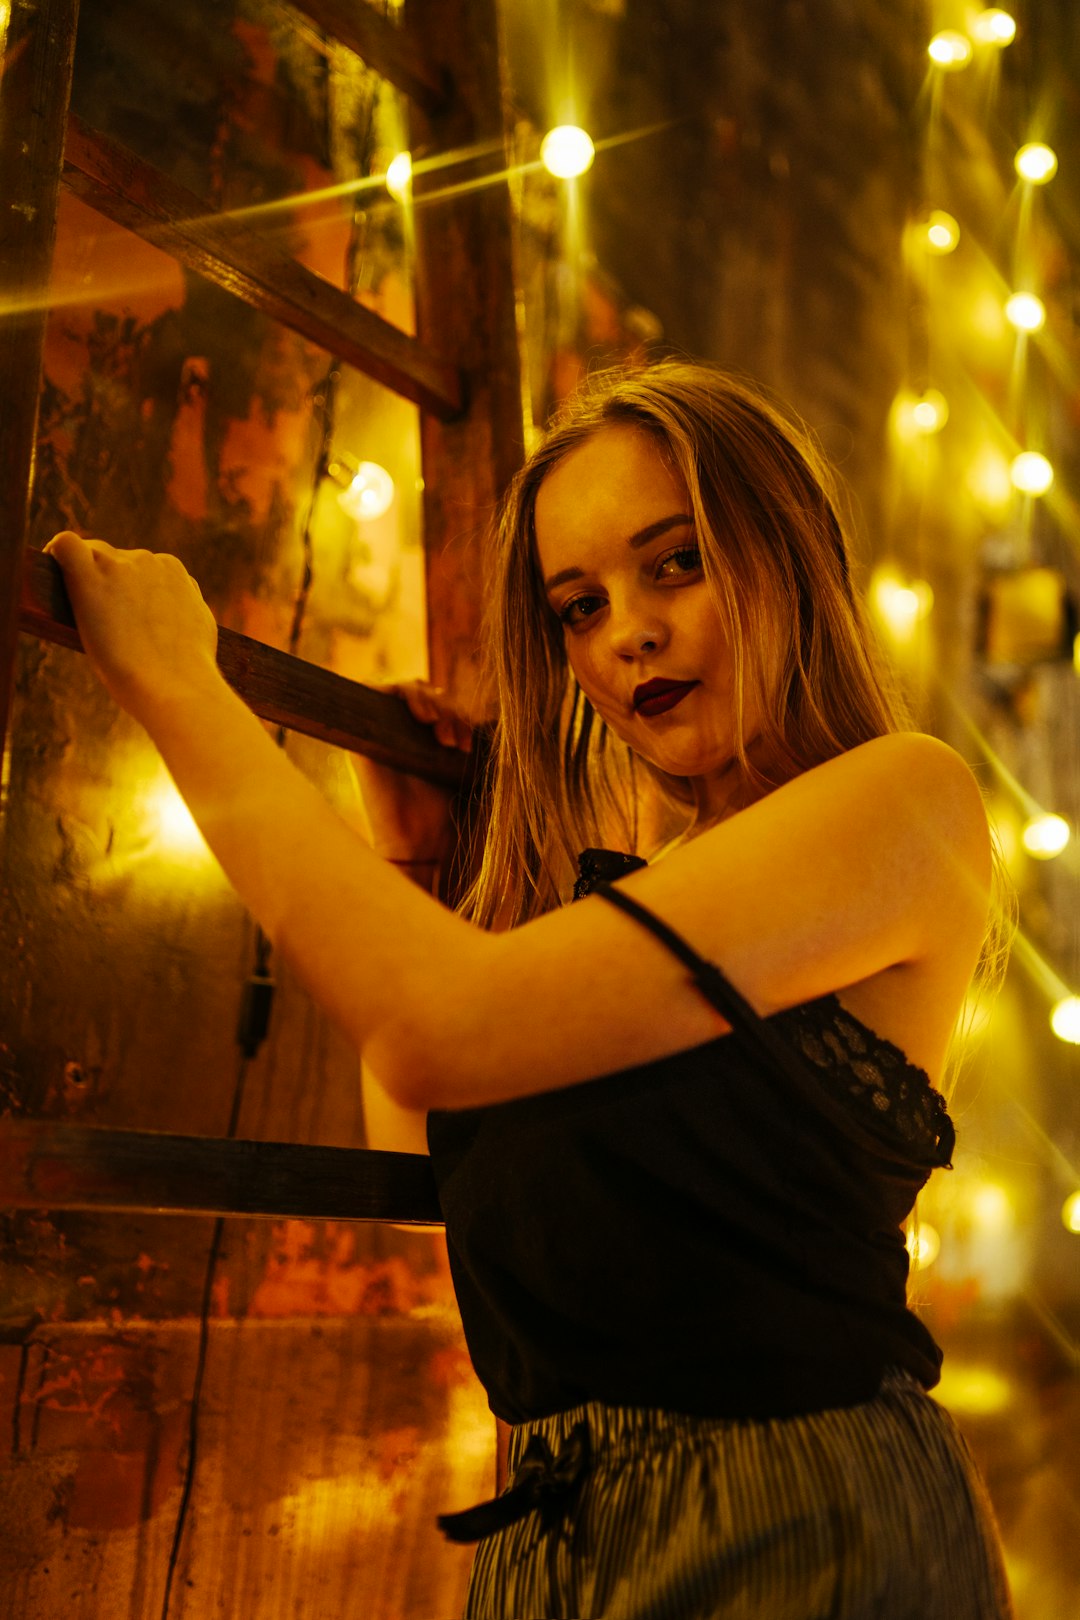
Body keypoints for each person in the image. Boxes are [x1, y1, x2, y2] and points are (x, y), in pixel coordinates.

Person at [45, 361, 1014, 1619]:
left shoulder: (905, 800)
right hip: (558, 1534)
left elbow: (441, 1031)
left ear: (789, 559)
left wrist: (182, 687)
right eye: (577, 605)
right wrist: (423, 870)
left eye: (677, 563)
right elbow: (424, 1145)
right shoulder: (651, 900)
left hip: (798, 1520)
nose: (629, 634)